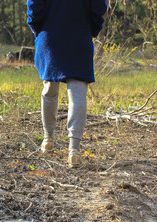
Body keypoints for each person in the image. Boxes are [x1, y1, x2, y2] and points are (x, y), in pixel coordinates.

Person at [26, 0, 107, 168]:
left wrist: (37, 28)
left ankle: (48, 139)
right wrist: (91, 28)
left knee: (49, 89)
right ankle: (74, 151)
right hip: (79, 34)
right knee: (77, 95)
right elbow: (99, 7)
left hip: (50, 35)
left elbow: (34, 5)